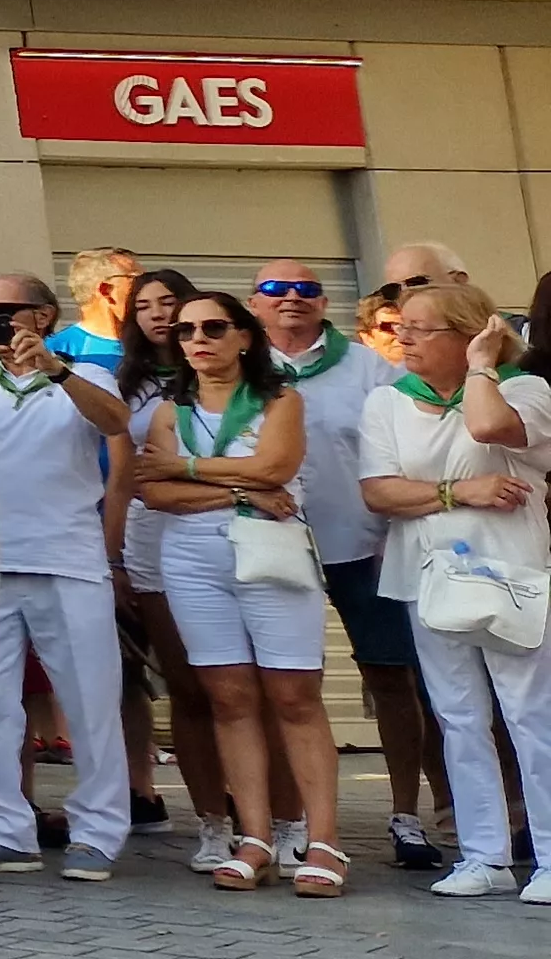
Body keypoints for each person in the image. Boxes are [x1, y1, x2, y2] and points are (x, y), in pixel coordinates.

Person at [131, 292, 344, 895]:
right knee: (227, 697)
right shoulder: (171, 410)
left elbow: (276, 467)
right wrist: (237, 489)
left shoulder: (281, 400)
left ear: (245, 336)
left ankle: (322, 841)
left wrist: (187, 470)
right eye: (186, 330)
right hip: (193, 559)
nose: (198, 338)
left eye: (214, 327)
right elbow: (155, 493)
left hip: (270, 555)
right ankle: (252, 838)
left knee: (294, 695)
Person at [355, 278, 551, 901]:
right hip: (428, 576)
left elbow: (491, 427)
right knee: (458, 716)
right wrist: (456, 493)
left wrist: (481, 367)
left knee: (529, 714)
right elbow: (379, 491)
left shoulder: (524, 389)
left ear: (469, 334)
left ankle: (549, 857)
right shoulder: (387, 403)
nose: (403, 338)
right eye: (399, 327)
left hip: (510, 574)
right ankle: (483, 855)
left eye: (421, 328)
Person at [0, 273, 134, 882]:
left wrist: (55, 369)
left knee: (91, 701)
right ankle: (5, 830)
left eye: (7, 309)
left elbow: (114, 422)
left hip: (69, 559)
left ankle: (99, 834)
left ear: (45, 315)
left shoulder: (85, 375)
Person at [252, 260, 438, 869]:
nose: (291, 299)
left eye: (306, 289)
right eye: (276, 290)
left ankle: (407, 813)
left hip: (364, 545)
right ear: (254, 303)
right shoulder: (240, 365)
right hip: (271, 547)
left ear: (324, 300)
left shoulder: (368, 368)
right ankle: (291, 819)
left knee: (394, 679)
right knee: (283, 688)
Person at [104, 269, 232, 867]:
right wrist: (115, 558)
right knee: (184, 684)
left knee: (239, 684)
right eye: (145, 306)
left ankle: (270, 814)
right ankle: (212, 818)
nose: (158, 316)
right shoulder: (119, 381)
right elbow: (122, 475)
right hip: (150, 534)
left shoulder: (224, 375)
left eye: (169, 303)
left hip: (229, 529)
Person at [53, 250, 141, 376]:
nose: (148, 287)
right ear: (106, 291)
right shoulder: (56, 350)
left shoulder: (157, 346)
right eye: (137, 280)